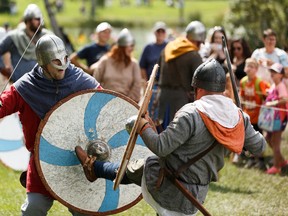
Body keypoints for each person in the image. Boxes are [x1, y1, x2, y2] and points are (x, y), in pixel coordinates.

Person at [74, 58, 266, 216]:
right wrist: (241, 126)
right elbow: (260, 147)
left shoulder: (192, 113)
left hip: (172, 185)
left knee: (149, 165)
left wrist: (142, 127)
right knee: (142, 166)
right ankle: (95, 169)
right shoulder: (237, 116)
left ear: (197, 88)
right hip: (196, 191)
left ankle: (94, 168)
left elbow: (161, 147)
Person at [0, 34, 101, 215]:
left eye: (64, 59)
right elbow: (3, 104)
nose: (62, 65)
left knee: (84, 212)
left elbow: (107, 106)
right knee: (33, 208)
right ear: (43, 62)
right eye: (55, 61)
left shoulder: (82, 81)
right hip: (41, 163)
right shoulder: (26, 87)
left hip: (74, 163)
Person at [157, 20, 205, 129]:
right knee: (178, 131)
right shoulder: (193, 55)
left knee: (160, 130)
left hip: (162, 96)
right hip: (181, 98)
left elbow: (157, 70)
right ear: (198, 41)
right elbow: (201, 80)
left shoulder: (167, 48)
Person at [0, 4, 53, 82]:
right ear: (28, 20)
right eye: (37, 19)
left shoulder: (48, 36)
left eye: (40, 19)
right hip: (21, 85)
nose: (40, 22)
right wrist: (3, 69)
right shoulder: (14, 36)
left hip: (44, 84)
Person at [90, 28, 142, 103]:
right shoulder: (105, 61)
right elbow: (95, 82)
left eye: (132, 46)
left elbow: (137, 86)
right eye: (129, 46)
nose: (132, 49)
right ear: (121, 47)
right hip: (104, 102)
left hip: (126, 103)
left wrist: (126, 102)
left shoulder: (134, 64)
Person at [237, 58, 270, 168]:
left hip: (258, 117)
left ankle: (261, 160)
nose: (249, 68)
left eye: (252, 66)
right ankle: (251, 159)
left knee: (258, 139)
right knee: (248, 140)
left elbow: (268, 94)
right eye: (248, 66)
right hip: (248, 117)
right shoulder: (243, 82)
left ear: (256, 69)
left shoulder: (259, 82)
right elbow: (241, 97)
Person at [139, 21, 168, 120]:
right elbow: (142, 66)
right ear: (154, 33)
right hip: (152, 84)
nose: (160, 33)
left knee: (163, 114)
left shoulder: (169, 47)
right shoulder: (148, 48)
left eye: (162, 31)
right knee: (150, 112)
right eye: (158, 31)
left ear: (165, 33)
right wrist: (146, 82)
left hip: (165, 85)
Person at [264, 63, 288, 174]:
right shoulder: (274, 85)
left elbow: (285, 99)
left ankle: (277, 166)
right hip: (272, 118)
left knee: (275, 141)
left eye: (275, 72)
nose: (272, 74)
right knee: (268, 138)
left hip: (279, 118)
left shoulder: (281, 85)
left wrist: (272, 103)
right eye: (271, 72)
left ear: (281, 75)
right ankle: (282, 161)